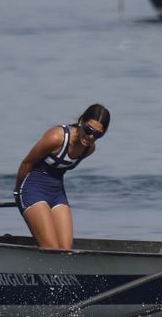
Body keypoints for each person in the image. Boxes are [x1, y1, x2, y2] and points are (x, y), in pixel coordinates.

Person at [14, 103, 109, 250]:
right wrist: (18, 192)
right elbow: (27, 163)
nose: (90, 137)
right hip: (32, 188)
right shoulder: (56, 137)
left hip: (57, 193)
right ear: (81, 121)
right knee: (51, 248)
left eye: (97, 135)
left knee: (65, 250)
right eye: (88, 130)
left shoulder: (89, 149)